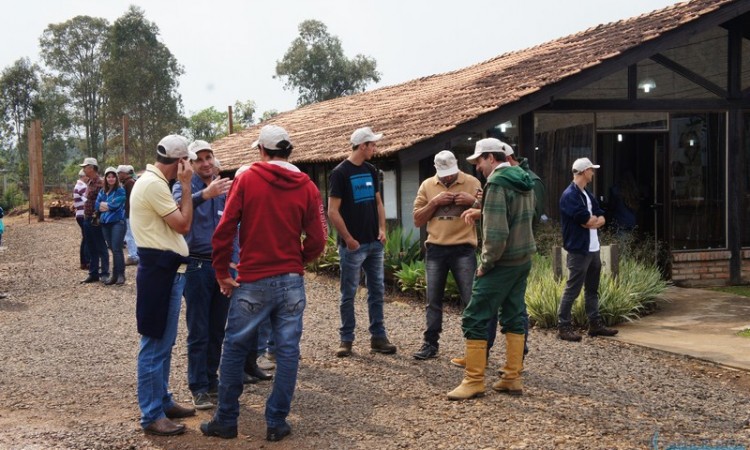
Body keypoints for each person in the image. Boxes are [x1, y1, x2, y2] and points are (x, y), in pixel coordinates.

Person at [201, 124, 327, 442]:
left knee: (233, 348)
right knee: (287, 353)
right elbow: (318, 238)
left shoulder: (248, 177)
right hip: (291, 281)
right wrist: (299, 259)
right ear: (289, 152)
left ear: (261, 151)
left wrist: (221, 272)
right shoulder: (307, 185)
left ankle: (226, 421)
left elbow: (225, 227)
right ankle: (276, 423)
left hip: (253, 279)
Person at [447, 138, 536, 400]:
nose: (477, 168)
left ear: (490, 158)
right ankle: (512, 377)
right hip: (522, 258)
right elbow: (515, 216)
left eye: (478, 162)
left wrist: (485, 264)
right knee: (514, 313)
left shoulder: (497, 183)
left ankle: (474, 380)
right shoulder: (523, 179)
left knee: (474, 316)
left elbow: (497, 233)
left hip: (502, 262)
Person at [130, 134, 197, 436]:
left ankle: (162, 401)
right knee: (154, 345)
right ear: (181, 162)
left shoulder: (155, 182)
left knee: (163, 344)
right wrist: (186, 186)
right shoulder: (155, 185)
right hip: (160, 271)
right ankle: (152, 414)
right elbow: (183, 224)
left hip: (166, 269)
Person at [328, 126, 397, 358]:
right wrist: (348, 239)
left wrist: (382, 229)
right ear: (362, 146)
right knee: (348, 293)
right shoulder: (339, 173)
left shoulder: (370, 169)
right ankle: (346, 339)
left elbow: (378, 203)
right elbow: (332, 211)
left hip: (374, 243)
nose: (375, 148)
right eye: (373, 144)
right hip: (353, 246)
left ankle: (378, 337)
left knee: (377, 290)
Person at [411, 150, 482, 360]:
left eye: (451, 174)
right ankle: (430, 343)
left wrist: (473, 202)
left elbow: (491, 212)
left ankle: (476, 346)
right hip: (436, 248)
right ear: (436, 170)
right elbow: (417, 220)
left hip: (464, 248)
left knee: (470, 299)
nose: (448, 178)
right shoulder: (427, 186)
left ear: (457, 166)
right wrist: (434, 203)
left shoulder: (472, 182)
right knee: (433, 299)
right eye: (444, 174)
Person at [558, 157, 619, 342]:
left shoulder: (586, 193)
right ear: (584, 171)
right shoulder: (570, 195)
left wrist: (595, 221)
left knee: (592, 288)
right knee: (572, 289)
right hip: (579, 250)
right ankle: (563, 326)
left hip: (593, 248)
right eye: (591, 170)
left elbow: (600, 216)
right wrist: (592, 221)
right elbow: (586, 220)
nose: (593, 173)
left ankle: (595, 323)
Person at [79, 158, 110, 284]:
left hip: (95, 220)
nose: (83, 169)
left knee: (101, 246)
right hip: (87, 219)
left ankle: (105, 273)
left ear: (91, 168)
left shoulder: (101, 183)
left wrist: (98, 216)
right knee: (91, 247)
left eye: (85, 166)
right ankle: (93, 273)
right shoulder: (90, 182)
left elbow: (105, 202)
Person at [95, 167, 127, 285]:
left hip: (118, 222)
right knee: (112, 249)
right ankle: (114, 275)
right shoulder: (102, 191)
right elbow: (97, 205)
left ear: (116, 178)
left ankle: (120, 274)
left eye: (113, 176)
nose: (111, 179)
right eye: (109, 177)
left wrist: (107, 206)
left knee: (117, 249)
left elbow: (117, 205)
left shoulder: (120, 190)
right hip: (105, 223)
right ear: (105, 178)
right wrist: (107, 205)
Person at [117, 165, 139, 266]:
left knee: (129, 234)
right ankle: (135, 255)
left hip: (129, 213)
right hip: (130, 212)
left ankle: (133, 256)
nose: (118, 175)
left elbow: (131, 199)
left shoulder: (129, 183)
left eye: (119, 173)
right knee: (131, 234)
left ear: (123, 173)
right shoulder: (128, 182)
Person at [73, 169, 90, 270]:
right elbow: (87, 200)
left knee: (85, 238)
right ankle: (86, 261)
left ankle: (84, 261)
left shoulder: (78, 186)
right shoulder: (82, 187)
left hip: (79, 214)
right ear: (84, 176)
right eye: (87, 176)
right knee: (87, 238)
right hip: (82, 214)